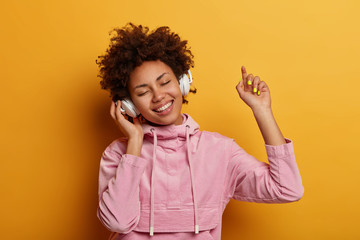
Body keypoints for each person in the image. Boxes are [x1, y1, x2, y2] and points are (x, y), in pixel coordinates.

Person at [96, 23, 304, 240]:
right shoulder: (118, 154)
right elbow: (117, 221)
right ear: (129, 103)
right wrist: (135, 142)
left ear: (183, 81)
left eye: (165, 82)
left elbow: (287, 188)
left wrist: (262, 111)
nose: (158, 96)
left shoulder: (219, 151)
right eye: (143, 92)